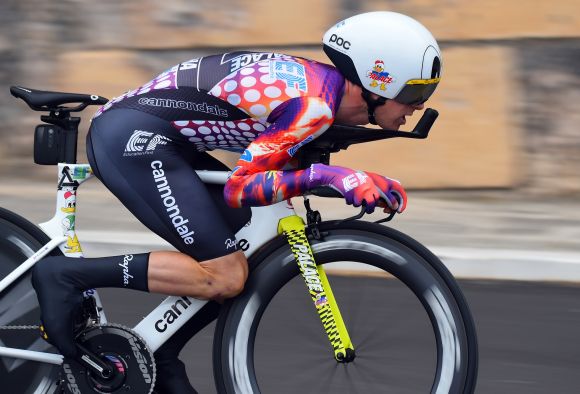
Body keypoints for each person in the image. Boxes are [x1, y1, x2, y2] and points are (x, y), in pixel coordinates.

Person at [31, 11, 442, 393]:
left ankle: (160, 350)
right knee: (225, 275)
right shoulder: (312, 107)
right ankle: (65, 276)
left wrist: (337, 179)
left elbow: (282, 171)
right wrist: (331, 177)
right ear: (377, 82)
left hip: (169, 142)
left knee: (250, 249)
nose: (419, 105)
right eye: (413, 92)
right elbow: (242, 187)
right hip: (133, 141)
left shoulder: (323, 94)